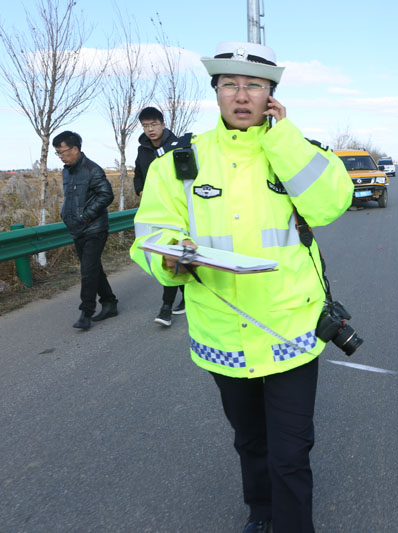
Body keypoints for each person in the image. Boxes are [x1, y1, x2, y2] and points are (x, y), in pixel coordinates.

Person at [130, 41, 353, 532]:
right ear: (215, 93)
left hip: (291, 332)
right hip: (222, 335)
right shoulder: (177, 162)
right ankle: (262, 513)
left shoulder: (296, 151)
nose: (241, 94)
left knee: (291, 450)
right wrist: (169, 259)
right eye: (229, 83)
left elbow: (332, 204)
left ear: (271, 95)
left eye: (254, 85)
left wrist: (284, 138)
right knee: (250, 442)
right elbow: (148, 234)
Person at [54, 131, 118, 330]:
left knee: (87, 270)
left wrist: (86, 215)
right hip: (77, 229)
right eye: (57, 153)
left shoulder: (92, 170)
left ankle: (86, 312)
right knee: (93, 268)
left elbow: (106, 195)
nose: (61, 156)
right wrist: (67, 215)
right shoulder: (67, 171)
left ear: (74, 149)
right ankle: (109, 303)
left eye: (62, 152)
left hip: (94, 228)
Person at [132, 106, 185, 326]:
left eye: (154, 124)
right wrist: (141, 190)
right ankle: (189, 294)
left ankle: (165, 308)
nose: (150, 129)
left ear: (163, 124)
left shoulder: (178, 146)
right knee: (167, 255)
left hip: (176, 210)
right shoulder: (143, 150)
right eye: (145, 126)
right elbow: (138, 174)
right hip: (154, 211)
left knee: (169, 252)